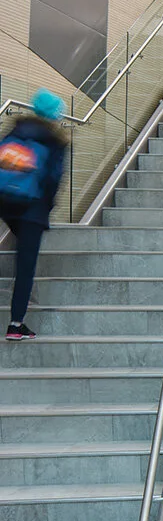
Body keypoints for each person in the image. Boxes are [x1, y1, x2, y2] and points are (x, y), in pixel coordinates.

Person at [0, 91, 68, 340]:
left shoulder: (16, 130)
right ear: (55, 114)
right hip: (32, 209)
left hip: (6, 204)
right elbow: (53, 179)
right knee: (25, 266)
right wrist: (45, 210)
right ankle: (16, 324)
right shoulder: (55, 140)